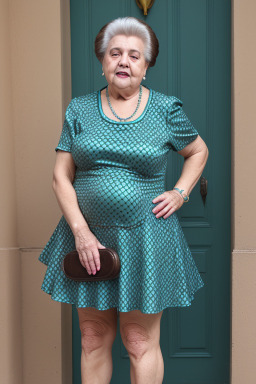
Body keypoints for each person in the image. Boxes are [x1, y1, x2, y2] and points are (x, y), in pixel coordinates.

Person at [39, 16, 209, 384]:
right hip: (88, 240)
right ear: (102, 61)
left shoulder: (165, 109)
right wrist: (82, 234)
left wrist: (180, 192)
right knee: (92, 337)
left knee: (138, 339)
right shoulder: (79, 109)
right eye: (115, 53)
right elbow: (60, 177)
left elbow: (198, 151)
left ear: (146, 67)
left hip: (147, 239)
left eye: (134, 55)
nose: (123, 62)